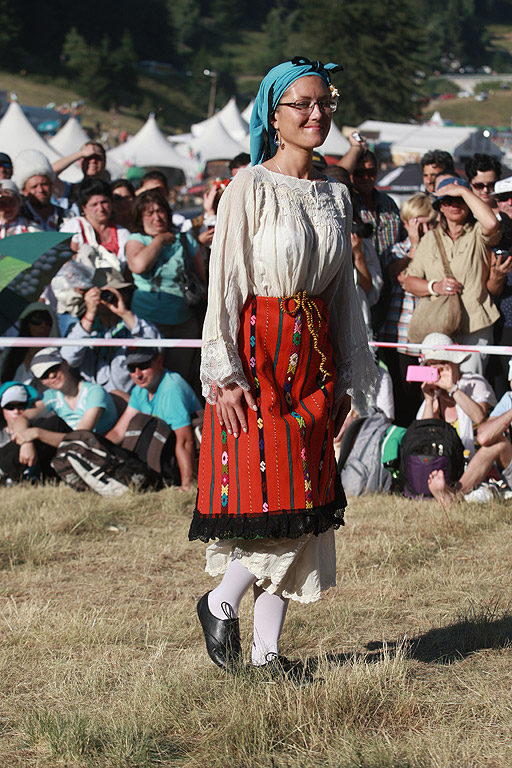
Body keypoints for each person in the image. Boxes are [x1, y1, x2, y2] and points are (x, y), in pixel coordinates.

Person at [188, 57, 376, 684]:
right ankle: (220, 601)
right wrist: (225, 370)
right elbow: (226, 282)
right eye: (302, 104)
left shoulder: (336, 193)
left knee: (311, 499)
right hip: (262, 349)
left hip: (316, 353)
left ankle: (267, 652)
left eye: (325, 103)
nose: (317, 114)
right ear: (274, 113)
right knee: (275, 490)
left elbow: (345, 291)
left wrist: (353, 371)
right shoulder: (248, 186)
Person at [403, 176, 502, 375]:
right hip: (439, 328)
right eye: (448, 200)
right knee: (436, 386)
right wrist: (435, 286)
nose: (455, 204)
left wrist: (464, 191)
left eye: (460, 200)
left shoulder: (477, 233)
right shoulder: (430, 239)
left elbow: (491, 223)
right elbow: (409, 281)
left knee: (471, 388)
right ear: (440, 206)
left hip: (475, 325)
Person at [125, 189, 203, 383]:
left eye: (160, 211)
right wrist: (159, 240)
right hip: (147, 325)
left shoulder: (185, 240)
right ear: (140, 217)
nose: (157, 217)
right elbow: (139, 265)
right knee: (147, 382)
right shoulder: (136, 240)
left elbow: (202, 278)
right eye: (149, 213)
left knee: (177, 380)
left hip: (183, 324)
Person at [104, 348, 200, 491]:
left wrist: (187, 485)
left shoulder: (171, 390)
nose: (137, 374)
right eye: (131, 368)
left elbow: (185, 440)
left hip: (185, 455)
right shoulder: (140, 389)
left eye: (143, 366)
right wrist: (98, 451)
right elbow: (118, 432)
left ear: (159, 362)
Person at [379, 193, 437, 426]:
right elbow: (397, 274)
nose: (423, 229)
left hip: (428, 336)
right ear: (406, 223)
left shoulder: (438, 251)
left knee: (426, 394)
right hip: (399, 337)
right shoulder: (398, 250)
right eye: (418, 223)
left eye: (428, 223)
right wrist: (414, 246)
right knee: (402, 396)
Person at [62, 271, 161, 398]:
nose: (108, 299)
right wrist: (90, 314)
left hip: (131, 399)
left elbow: (157, 348)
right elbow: (67, 360)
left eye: (118, 292)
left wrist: (125, 313)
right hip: (94, 401)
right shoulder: (84, 328)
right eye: (102, 294)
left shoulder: (134, 324)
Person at [11, 347, 118, 454]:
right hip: (73, 451)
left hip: (100, 450)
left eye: (54, 368)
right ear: (41, 382)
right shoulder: (51, 396)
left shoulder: (94, 391)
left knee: (51, 424)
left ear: (65, 363)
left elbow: (80, 438)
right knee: (45, 425)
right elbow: (22, 417)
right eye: (45, 375)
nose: (52, 375)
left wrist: (37, 433)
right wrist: (26, 442)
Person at [417, 333, 496, 458]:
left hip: (481, 458)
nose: (438, 369)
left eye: (443, 362)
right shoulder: (434, 393)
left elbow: (478, 416)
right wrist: (428, 400)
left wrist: (452, 389)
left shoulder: (474, 382)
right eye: (432, 363)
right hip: (447, 462)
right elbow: (424, 435)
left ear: (456, 363)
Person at [60, 178, 131, 270]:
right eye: (94, 204)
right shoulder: (74, 227)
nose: (101, 208)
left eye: (104, 202)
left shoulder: (122, 233)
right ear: (84, 208)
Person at [0, 302, 60, 393]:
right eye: (37, 321)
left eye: (47, 321)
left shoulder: (58, 354)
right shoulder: (10, 353)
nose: (43, 326)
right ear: (26, 324)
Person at [14, 149, 72, 231]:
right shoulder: (17, 217)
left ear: (52, 185)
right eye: (34, 186)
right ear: (24, 191)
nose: (40, 190)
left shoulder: (68, 216)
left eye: (44, 184)